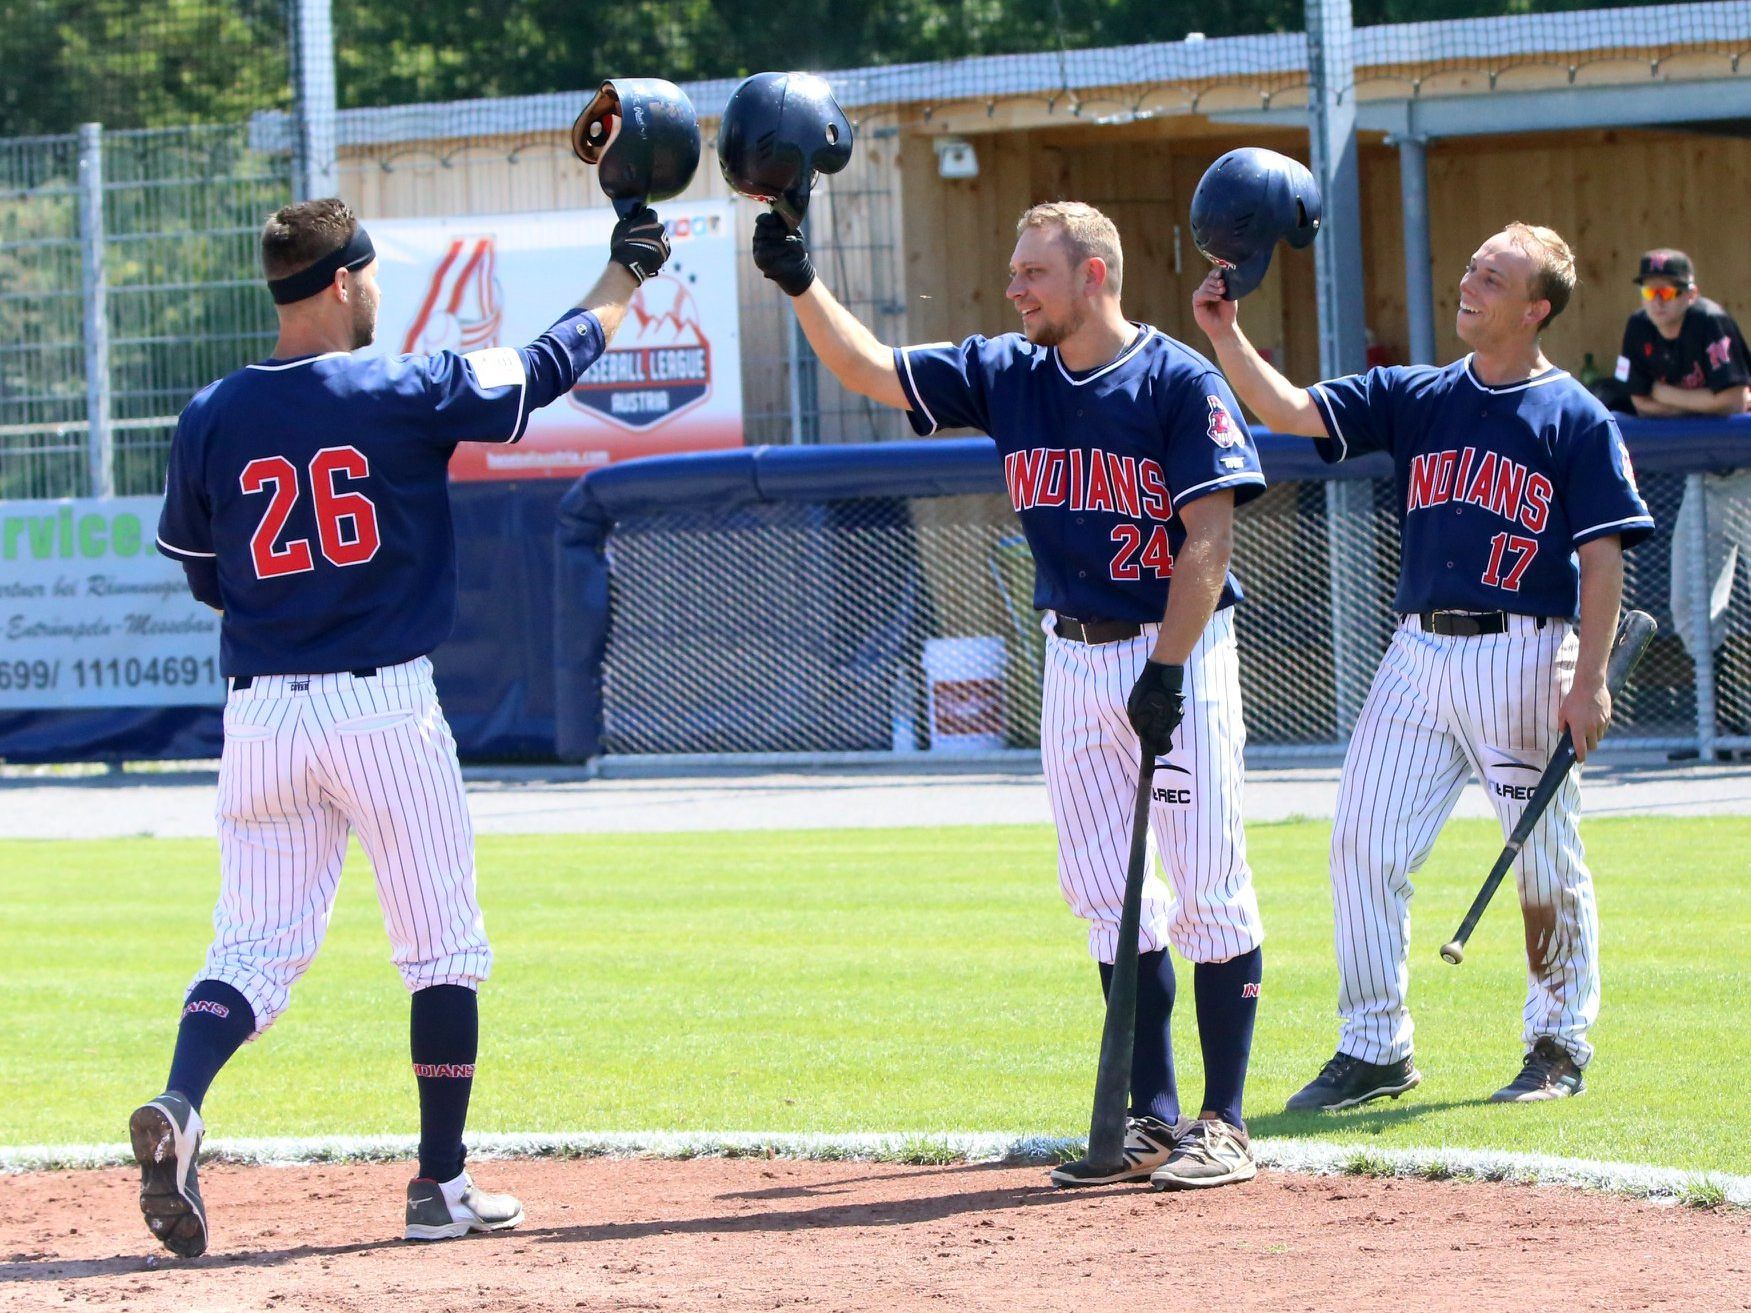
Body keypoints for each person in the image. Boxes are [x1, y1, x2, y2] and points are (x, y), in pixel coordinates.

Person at [136, 196, 671, 1257]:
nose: (377, 289)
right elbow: (544, 369)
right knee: (440, 949)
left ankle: (182, 1100)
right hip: (380, 702)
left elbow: (207, 576)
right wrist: (627, 273)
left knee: (251, 948)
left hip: (262, 712)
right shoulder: (399, 386)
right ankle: (440, 1182)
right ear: (339, 281)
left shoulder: (212, 413)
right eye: (369, 273)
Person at [752, 201, 1268, 1190]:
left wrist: (1166, 663)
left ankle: (1225, 1121)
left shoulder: (1175, 381)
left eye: (1034, 271)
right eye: (1013, 268)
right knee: (1103, 893)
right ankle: (1150, 1117)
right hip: (1070, 654)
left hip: (1179, 649)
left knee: (1206, 882)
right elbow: (869, 370)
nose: (1014, 286)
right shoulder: (1009, 372)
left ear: (1095, 278)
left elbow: (1207, 537)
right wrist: (798, 281)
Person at [1196, 222, 1653, 1107]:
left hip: (1523, 651)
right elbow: (1291, 411)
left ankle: (1557, 1043)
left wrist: (1585, 676)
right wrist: (1224, 334)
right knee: (1361, 844)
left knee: (1541, 862)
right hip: (1415, 651)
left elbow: (1603, 559)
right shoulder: (1415, 393)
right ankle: (1373, 1047)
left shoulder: (1574, 416)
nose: (1469, 282)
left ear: (1534, 308)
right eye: (1471, 266)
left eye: (1494, 276)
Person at [1615, 248, 1751, 673]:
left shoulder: (1710, 321)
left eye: (1668, 291)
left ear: (1690, 294)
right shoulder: (1639, 328)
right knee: (1691, 602)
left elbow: (1734, 399)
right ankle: (1724, 728)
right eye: (1650, 290)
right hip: (1703, 481)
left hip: (1746, 475)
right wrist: (1700, 404)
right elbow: (1636, 400)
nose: (1657, 300)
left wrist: (1666, 395)